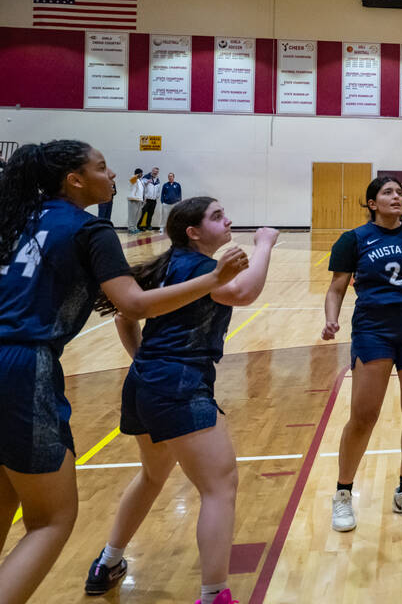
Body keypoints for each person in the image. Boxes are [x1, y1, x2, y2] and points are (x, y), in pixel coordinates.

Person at [0, 141, 247, 604]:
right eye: (100, 167)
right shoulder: (88, 229)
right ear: (75, 180)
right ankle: (211, 591)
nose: (112, 174)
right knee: (50, 521)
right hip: (21, 367)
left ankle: (110, 558)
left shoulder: (17, 220)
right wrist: (215, 278)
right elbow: (129, 305)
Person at [84, 201, 278, 604]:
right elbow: (243, 291)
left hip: (145, 383)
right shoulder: (197, 268)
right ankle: (214, 595)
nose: (228, 220)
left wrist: (144, 362)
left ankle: (108, 561)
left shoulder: (169, 264)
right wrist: (264, 245)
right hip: (179, 383)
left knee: (153, 476)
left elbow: (125, 316)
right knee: (219, 486)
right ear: (193, 231)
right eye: (217, 215)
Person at [322, 177, 402, 533]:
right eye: (389, 193)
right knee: (364, 415)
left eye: (400, 193)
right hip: (373, 330)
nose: (397, 197)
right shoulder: (354, 239)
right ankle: (343, 493)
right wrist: (331, 319)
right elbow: (336, 287)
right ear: (372, 202)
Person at [138, 168, 161, 232]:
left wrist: (157, 196)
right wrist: (147, 182)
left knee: (150, 214)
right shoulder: (146, 177)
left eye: (157, 172)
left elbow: (158, 190)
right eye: (154, 171)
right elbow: (141, 184)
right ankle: (139, 225)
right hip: (146, 200)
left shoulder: (157, 180)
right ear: (152, 171)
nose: (155, 173)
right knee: (143, 213)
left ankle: (148, 225)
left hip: (153, 200)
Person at [127, 168, 144, 234]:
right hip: (133, 199)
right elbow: (132, 179)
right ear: (138, 173)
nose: (142, 174)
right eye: (141, 173)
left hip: (139, 199)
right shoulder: (133, 178)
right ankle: (131, 228)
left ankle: (135, 227)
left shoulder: (140, 181)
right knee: (132, 215)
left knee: (137, 215)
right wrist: (136, 175)